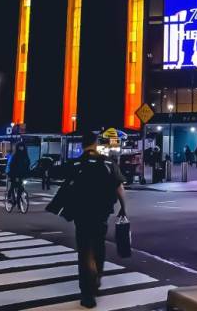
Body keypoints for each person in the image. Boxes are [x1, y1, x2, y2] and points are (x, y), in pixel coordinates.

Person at [65, 131, 127, 309]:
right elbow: (119, 187)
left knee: (84, 251)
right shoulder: (108, 163)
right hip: (101, 214)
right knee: (99, 246)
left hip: (81, 215)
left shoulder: (76, 164)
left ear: (83, 144)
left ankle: (87, 294)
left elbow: (66, 188)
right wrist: (124, 208)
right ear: (95, 142)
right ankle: (97, 276)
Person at [6, 142, 31, 206]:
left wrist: (28, 173)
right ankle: (9, 198)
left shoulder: (26, 156)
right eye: (20, 147)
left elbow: (28, 165)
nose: (21, 148)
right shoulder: (15, 156)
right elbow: (12, 166)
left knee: (21, 188)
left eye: (22, 147)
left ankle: (18, 201)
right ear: (17, 147)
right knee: (13, 186)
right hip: (14, 174)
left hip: (22, 174)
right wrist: (12, 174)